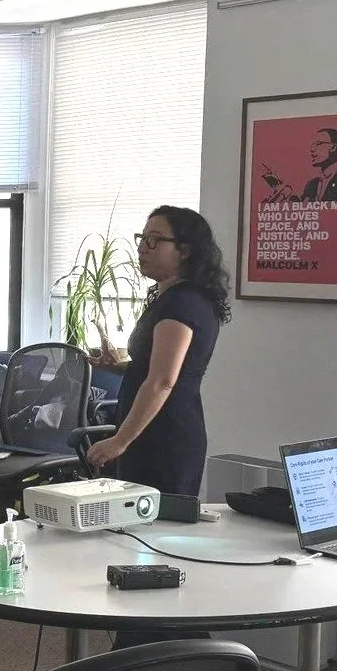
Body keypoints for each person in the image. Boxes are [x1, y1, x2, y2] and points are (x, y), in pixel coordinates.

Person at [83, 205, 230, 503]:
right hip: (149, 431)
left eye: (154, 240)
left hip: (164, 437)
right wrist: (120, 367)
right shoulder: (172, 297)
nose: (142, 247)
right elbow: (159, 368)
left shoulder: (183, 303)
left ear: (185, 250)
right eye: (142, 238)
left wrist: (119, 441)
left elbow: (164, 379)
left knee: (155, 536)